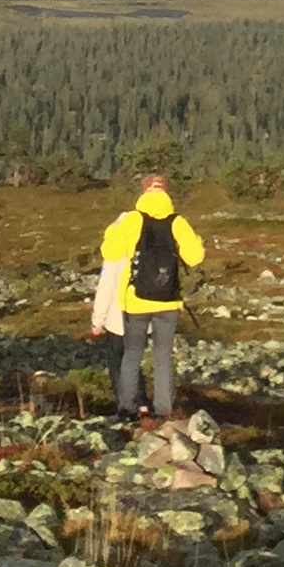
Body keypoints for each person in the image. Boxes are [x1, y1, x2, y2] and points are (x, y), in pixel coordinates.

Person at [95, 170, 206, 419]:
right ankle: (164, 411)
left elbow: (110, 253)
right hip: (168, 302)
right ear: (166, 192)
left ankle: (126, 409)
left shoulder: (133, 220)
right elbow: (195, 257)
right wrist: (195, 240)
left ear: (144, 191)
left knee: (132, 355)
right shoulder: (178, 222)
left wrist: (113, 232)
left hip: (135, 301)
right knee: (162, 358)